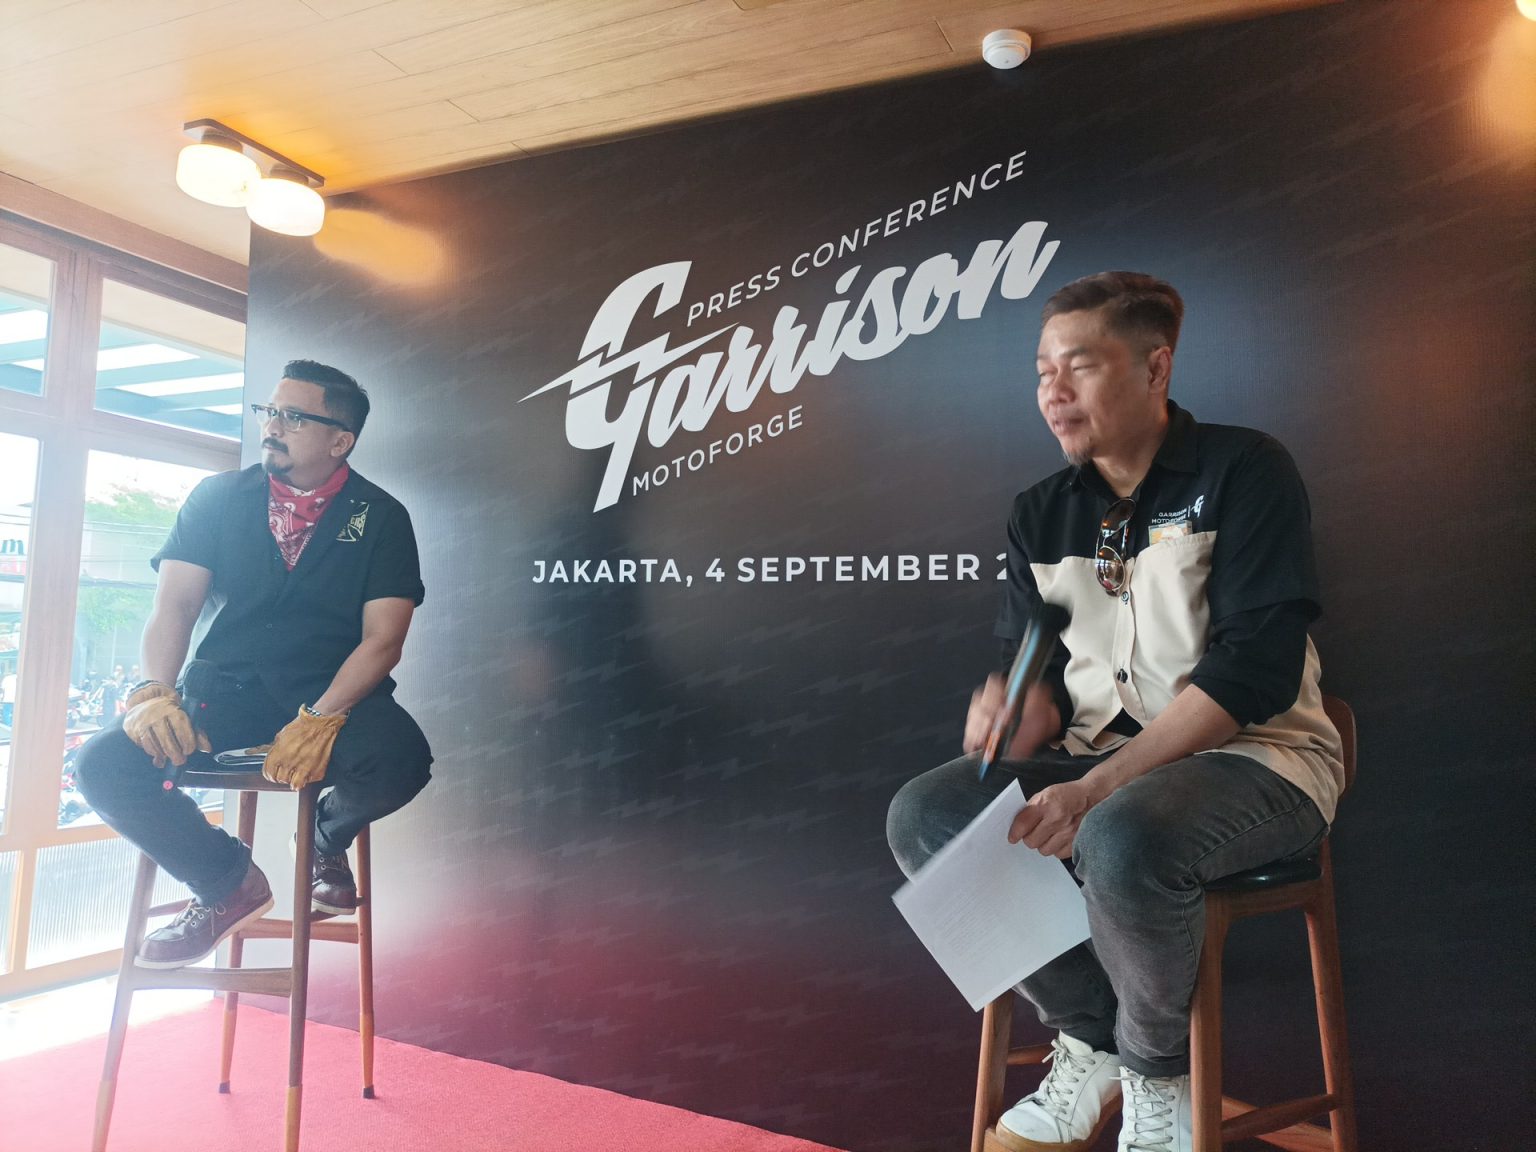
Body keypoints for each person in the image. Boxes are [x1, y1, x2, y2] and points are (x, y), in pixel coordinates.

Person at [886, 273, 1343, 1152]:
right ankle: (1094, 1038)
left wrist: (1095, 789)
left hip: (1262, 762)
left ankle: (1155, 1074)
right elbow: (1044, 680)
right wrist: (1023, 714)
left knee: (1121, 833)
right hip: (1099, 765)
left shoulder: (1246, 470)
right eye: (1041, 372)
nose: (1053, 391)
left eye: (1080, 366)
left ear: (1156, 368)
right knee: (930, 815)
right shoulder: (1039, 512)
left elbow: (1255, 670)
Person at [75, 360, 432, 969]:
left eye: (293, 416)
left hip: (331, 692)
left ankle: (324, 838)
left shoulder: (381, 515)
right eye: (269, 411)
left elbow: (383, 639)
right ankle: (225, 882)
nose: (272, 425)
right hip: (225, 689)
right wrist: (155, 690)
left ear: (339, 441)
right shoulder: (217, 498)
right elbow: (175, 604)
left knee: (401, 762)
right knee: (103, 765)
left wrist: (321, 718)